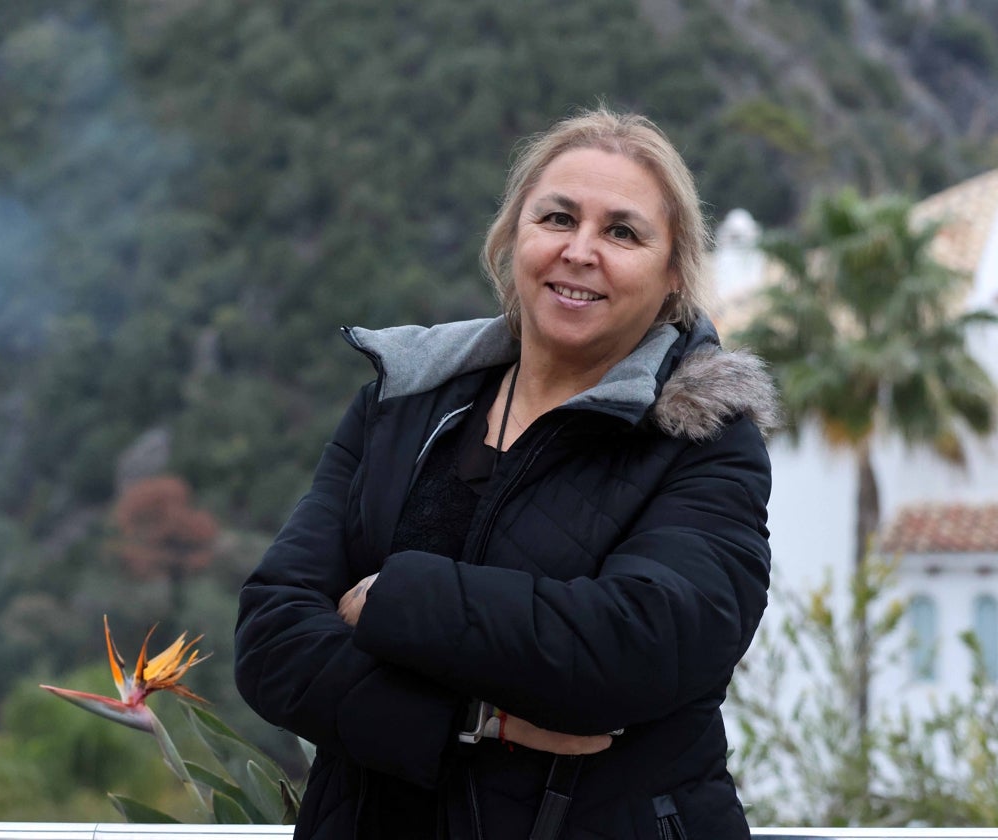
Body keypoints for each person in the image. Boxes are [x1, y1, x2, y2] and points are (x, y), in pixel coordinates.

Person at [235, 107, 779, 840]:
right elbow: (272, 635)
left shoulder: (703, 439)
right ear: (512, 237)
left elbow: (639, 646)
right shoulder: (401, 403)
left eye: (622, 232)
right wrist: (474, 722)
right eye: (557, 218)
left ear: (674, 271)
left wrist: (394, 597)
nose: (580, 251)